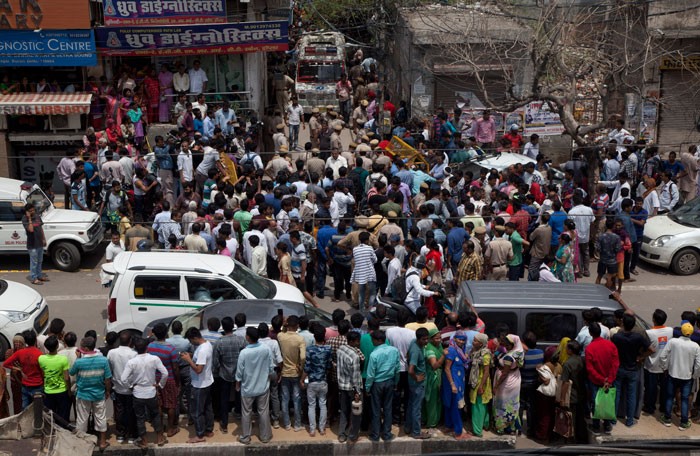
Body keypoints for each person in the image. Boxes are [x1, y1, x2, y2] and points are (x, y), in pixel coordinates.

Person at [121, 337, 168, 449]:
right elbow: (165, 373)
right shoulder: (154, 359)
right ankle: (160, 438)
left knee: (140, 417)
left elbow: (123, 379)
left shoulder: (131, 362)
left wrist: (131, 387)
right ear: (147, 348)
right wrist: (160, 385)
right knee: (155, 415)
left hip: (138, 393)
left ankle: (144, 441)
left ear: (135, 349)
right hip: (151, 392)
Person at [70, 337, 112, 451]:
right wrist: (107, 391)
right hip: (99, 394)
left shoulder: (79, 362)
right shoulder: (103, 360)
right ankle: (102, 442)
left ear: (85, 348)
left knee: (82, 419)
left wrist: (78, 358)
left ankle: (82, 443)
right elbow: (107, 378)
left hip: (83, 395)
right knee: (100, 417)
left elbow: (71, 372)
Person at [611, 314, 652, 427]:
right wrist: (641, 357)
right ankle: (629, 420)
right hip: (633, 369)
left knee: (617, 394)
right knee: (631, 395)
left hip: (619, 368)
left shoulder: (617, 336)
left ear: (623, 323)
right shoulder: (638, 337)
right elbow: (651, 349)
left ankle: (613, 419)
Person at [236, 327, 275, 444]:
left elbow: (239, 372)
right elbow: (271, 368)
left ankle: (246, 437)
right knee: (263, 411)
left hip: (247, 388)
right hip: (263, 387)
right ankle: (265, 436)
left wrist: (237, 383)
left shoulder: (244, 353)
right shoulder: (266, 349)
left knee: (246, 412)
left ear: (248, 337)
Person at [660, 322, 700, 431]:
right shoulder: (695, 346)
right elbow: (698, 364)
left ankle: (667, 419)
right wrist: (695, 375)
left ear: (681, 331)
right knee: (685, 399)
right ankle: (683, 422)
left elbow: (663, 356)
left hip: (672, 374)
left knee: (669, 396)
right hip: (687, 377)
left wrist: (665, 368)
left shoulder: (673, 342)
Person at [180, 327, 214, 443]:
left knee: (196, 411)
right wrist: (192, 356)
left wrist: (188, 360)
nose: (190, 343)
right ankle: (209, 430)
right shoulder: (207, 344)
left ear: (195, 338)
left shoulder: (202, 350)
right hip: (207, 381)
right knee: (207, 408)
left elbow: (199, 370)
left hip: (200, 384)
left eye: (190, 340)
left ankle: (200, 435)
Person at [365, 330, 400, 442]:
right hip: (390, 382)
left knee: (376, 410)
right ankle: (386, 434)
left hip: (377, 384)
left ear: (378, 340)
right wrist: (395, 383)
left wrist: (367, 388)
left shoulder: (374, 354)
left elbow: (370, 374)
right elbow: (397, 368)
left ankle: (375, 435)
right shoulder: (394, 350)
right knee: (388, 408)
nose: (372, 342)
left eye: (373, 340)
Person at [147, 323, 182, 438]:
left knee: (159, 404)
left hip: (155, 380)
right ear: (166, 333)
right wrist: (178, 381)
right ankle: (171, 429)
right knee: (171, 404)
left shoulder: (150, 347)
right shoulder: (171, 349)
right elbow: (175, 368)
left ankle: (161, 427)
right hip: (169, 379)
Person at [585, 323, 619, 434]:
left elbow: (590, 369)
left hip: (595, 382)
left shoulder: (589, 348)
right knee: (608, 402)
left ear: (590, 333)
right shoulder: (611, 345)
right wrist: (609, 380)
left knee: (596, 402)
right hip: (609, 381)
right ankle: (607, 425)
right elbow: (615, 364)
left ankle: (596, 426)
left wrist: (601, 379)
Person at [301, 325, 332, 436]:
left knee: (311, 405)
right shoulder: (328, 349)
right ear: (324, 336)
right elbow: (329, 366)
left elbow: (307, 367)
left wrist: (302, 379)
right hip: (323, 381)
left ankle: (313, 429)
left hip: (312, 382)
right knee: (323, 404)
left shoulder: (310, 350)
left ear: (314, 336)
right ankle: (322, 428)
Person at [107, 332, 138, 444]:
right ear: (130, 341)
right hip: (131, 389)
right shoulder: (134, 353)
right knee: (131, 411)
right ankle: (131, 435)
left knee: (120, 411)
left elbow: (109, 369)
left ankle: (120, 434)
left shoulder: (111, 353)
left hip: (117, 387)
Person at [277, 315, 306, 431]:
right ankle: (297, 424)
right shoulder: (300, 339)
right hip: (295, 372)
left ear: (287, 325)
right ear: (297, 326)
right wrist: (300, 366)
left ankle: (287, 424)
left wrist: (284, 325)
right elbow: (303, 357)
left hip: (284, 373)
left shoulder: (281, 336)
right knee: (297, 399)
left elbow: (280, 331)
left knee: (284, 399)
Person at [643, 309, 673, 415]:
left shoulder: (649, 333)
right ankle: (663, 407)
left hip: (651, 365)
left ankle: (650, 407)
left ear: (654, 319)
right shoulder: (670, 330)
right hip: (665, 365)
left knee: (651, 389)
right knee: (664, 388)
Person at [2, 330, 42, 410]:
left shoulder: (22, 352)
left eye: (19, 342)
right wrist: (18, 369)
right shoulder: (10, 352)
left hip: (25, 381)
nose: (17, 344)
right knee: (19, 402)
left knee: (27, 405)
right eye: (15, 342)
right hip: (17, 382)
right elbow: (6, 364)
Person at [442, 331, 470, 440]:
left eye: (463, 340)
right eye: (459, 339)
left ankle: (450, 426)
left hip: (458, 381)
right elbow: (447, 368)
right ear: (454, 339)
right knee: (455, 405)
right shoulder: (452, 350)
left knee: (451, 403)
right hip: (453, 381)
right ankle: (458, 432)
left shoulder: (460, 351)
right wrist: (452, 384)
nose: (461, 341)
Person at [336, 330, 364, 443]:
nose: (359, 343)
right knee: (356, 413)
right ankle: (352, 435)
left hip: (342, 385)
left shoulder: (341, 349)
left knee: (344, 410)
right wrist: (358, 392)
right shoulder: (355, 356)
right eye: (357, 341)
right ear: (352, 341)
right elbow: (356, 376)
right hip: (352, 388)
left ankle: (341, 433)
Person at [493, 335, 523, 435]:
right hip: (515, 379)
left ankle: (502, 428)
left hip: (506, 383)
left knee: (503, 405)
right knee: (512, 404)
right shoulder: (518, 352)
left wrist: (496, 386)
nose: (505, 346)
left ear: (513, 344)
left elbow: (505, 373)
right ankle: (513, 427)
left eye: (507, 344)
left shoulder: (509, 357)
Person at [37, 335, 71, 423]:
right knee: (63, 415)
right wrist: (69, 390)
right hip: (62, 391)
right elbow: (66, 378)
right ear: (57, 346)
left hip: (48, 391)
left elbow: (43, 373)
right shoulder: (63, 359)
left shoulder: (41, 359)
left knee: (51, 415)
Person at [405, 328, 431, 439]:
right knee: (416, 408)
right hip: (417, 384)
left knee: (411, 404)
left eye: (427, 339)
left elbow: (407, 356)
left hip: (413, 383)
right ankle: (416, 432)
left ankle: (408, 427)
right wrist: (416, 377)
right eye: (424, 339)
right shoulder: (416, 351)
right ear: (418, 339)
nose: (426, 341)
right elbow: (411, 370)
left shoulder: (413, 343)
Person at [22, 203, 47, 285]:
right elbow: (31, 230)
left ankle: (39, 276)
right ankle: (33, 278)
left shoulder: (37, 216)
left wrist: (44, 239)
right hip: (32, 244)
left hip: (39, 243)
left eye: (33, 210)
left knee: (40, 261)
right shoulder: (25, 219)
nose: (33, 211)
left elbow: (40, 228)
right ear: (27, 212)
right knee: (34, 262)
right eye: (31, 211)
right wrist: (29, 218)